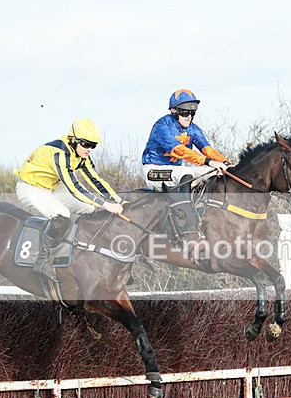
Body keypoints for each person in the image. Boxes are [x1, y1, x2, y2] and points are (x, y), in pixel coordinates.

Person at [15, 118, 125, 282]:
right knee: (62, 214)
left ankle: (75, 249)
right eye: (86, 144)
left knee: (89, 209)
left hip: (52, 186)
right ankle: (42, 260)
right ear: (73, 140)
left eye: (93, 145)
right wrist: (106, 205)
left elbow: (95, 179)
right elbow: (75, 188)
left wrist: (117, 199)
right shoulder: (60, 154)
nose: (89, 149)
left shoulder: (81, 154)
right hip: (31, 187)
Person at [141, 89, 232, 191]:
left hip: (176, 171)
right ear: (174, 111)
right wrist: (209, 162)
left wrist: (225, 162)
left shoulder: (193, 129)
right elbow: (178, 150)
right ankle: (183, 207)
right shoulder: (162, 126)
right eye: (184, 113)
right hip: (154, 170)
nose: (189, 117)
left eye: (192, 113)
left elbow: (207, 149)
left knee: (214, 172)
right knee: (185, 174)